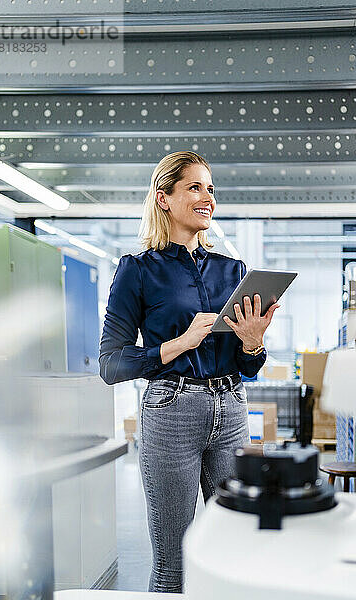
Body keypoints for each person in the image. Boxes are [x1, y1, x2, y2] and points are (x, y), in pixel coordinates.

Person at [99, 151, 279, 594]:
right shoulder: (137, 271)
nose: (207, 198)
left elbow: (247, 365)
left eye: (210, 189)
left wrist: (254, 342)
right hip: (170, 410)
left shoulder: (233, 271)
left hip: (232, 407)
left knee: (231, 551)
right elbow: (110, 363)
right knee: (173, 562)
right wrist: (179, 344)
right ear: (164, 198)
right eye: (195, 187)